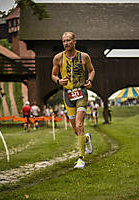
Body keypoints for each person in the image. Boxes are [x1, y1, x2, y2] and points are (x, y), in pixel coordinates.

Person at [51, 31, 95, 168]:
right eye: (64, 41)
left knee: (80, 124)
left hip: (81, 92)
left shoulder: (84, 57)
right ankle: (86, 138)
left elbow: (92, 71)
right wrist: (58, 81)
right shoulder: (58, 58)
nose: (66, 43)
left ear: (75, 41)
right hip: (67, 95)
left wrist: (89, 80)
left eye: (69, 40)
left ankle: (81, 159)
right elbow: (53, 75)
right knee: (76, 130)